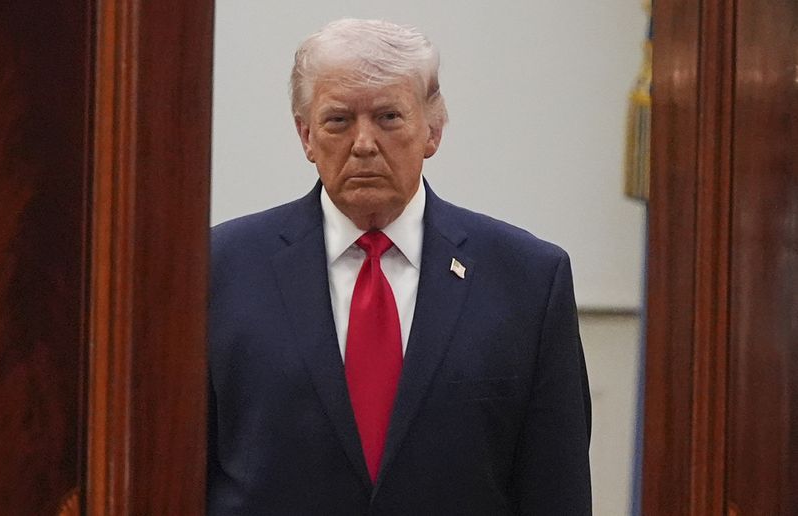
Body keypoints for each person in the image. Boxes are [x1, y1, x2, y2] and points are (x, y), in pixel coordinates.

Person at [209, 18, 591, 515]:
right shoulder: (222, 270)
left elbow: (555, 488)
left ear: (432, 131)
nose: (364, 143)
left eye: (389, 117)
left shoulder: (528, 280)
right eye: (339, 120)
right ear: (305, 136)